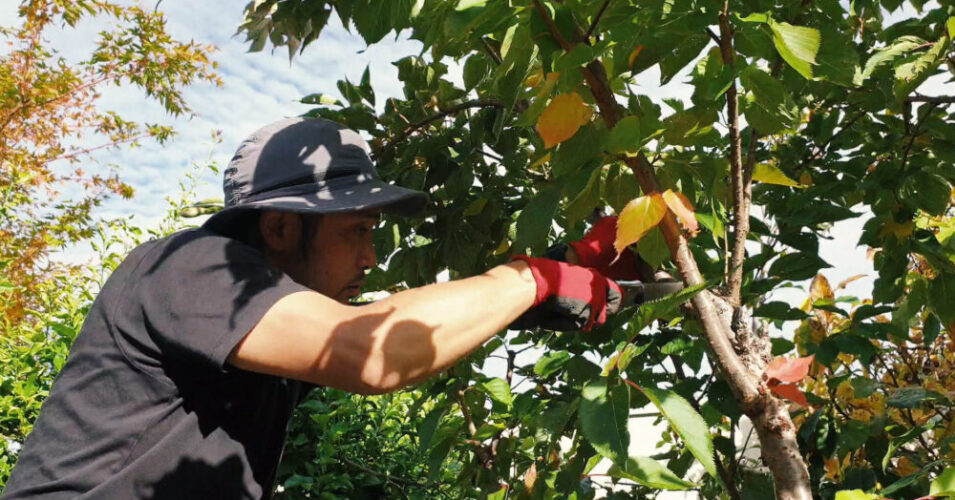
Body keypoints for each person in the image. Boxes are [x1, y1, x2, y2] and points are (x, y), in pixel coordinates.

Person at [1, 117, 634, 499]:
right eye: (356, 230)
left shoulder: (260, 318)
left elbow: (398, 324)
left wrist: (565, 266)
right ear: (278, 228)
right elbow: (369, 350)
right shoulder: (195, 267)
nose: (372, 257)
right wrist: (532, 278)